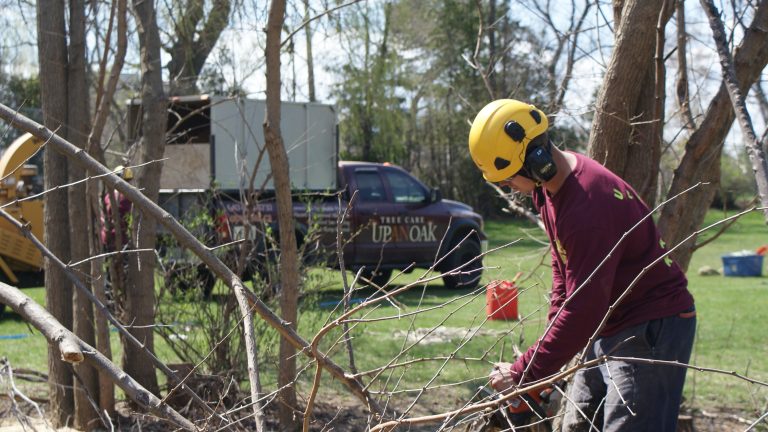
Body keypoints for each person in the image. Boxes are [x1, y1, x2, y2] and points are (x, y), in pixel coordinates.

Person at [468, 99, 696, 431]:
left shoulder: (586, 207)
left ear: (537, 161)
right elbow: (565, 276)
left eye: (507, 180)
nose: (508, 188)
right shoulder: (549, 189)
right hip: (611, 324)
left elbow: (583, 310)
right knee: (581, 423)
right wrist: (541, 371)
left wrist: (522, 372)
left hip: (652, 326)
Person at [101, 165, 134, 252]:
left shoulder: (108, 196)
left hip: (108, 238)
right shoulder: (127, 197)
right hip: (118, 239)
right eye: (127, 180)